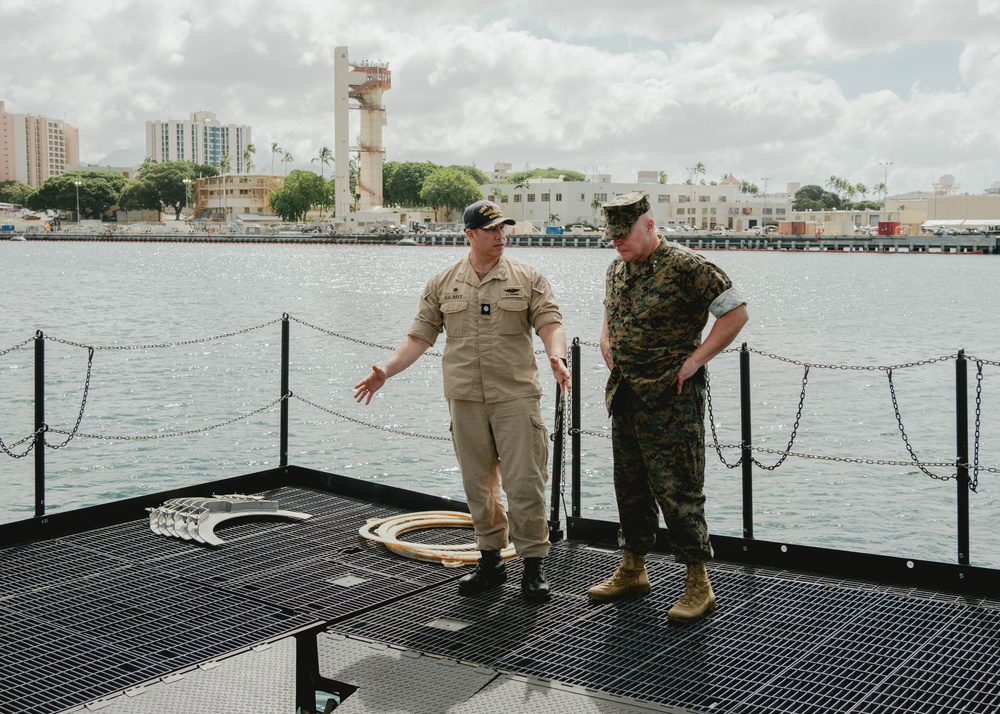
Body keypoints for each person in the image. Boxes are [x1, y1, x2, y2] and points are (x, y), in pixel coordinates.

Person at [354, 199, 572, 602]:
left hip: (515, 396)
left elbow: (550, 323)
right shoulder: (443, 283)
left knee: (525, 483)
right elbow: (419, 336)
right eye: (491, 230)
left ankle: (533, 566)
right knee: (478, 484)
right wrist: (386, 370)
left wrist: (556, 356)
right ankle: (490, 561)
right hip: (465, 397)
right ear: (470, 234)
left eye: (503, 228)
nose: (500, 236)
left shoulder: (528, 278)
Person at [587, 192, 749, 624]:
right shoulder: (617, 267)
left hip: (671, 397)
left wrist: (696, 361)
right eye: (612, 236)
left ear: (649, 226)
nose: (617, 242)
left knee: (679, 491)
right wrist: (605, 337)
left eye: (623, 234)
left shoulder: (687, 266)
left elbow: (735, 314)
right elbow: (610, 308)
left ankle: (698, 584)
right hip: (626, 394)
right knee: (630, 488)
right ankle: (633, 569)